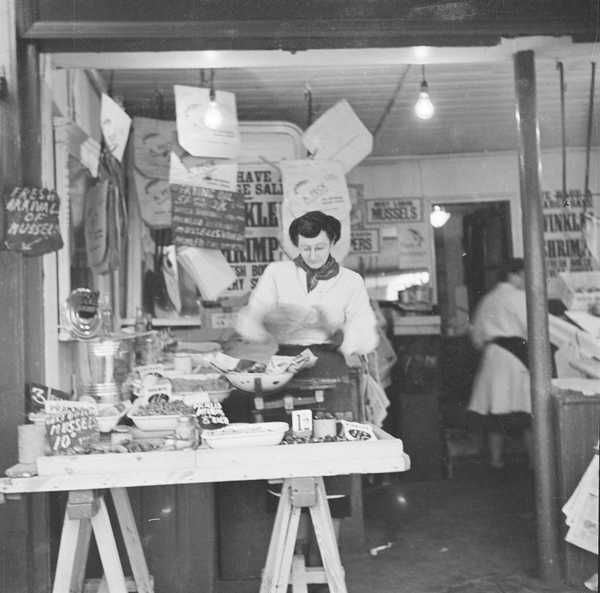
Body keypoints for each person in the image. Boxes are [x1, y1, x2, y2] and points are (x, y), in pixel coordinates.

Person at [235, 210, 379, 526]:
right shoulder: (277, 273)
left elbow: (367, 336)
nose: (312, 255)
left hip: (331, 369)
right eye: (305, 248)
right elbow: (248, 321)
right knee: (286, 462)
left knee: (333, 468)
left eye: (320, 247)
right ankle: (294, 554)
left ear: (334, 243)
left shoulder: (351, 282)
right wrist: (268, 321)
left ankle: (327, 557)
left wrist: (330, 329)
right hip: (286, 371)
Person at [468, 258, 544, 470]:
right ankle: (535, 463)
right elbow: (533, 327)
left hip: (492, 356)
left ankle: (496, 460)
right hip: (515, 356)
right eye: (524, 274)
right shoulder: (519, 297)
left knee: (496, 413)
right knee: (528, 412)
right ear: (515, 274)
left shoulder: (488, 299)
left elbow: (476, 337)